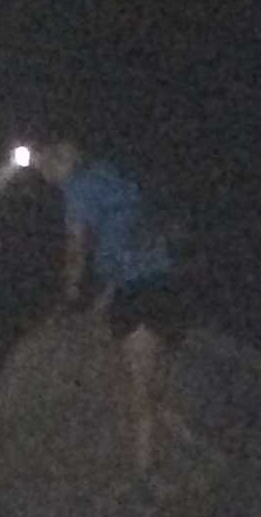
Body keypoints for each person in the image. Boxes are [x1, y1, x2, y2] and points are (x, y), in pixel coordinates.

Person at [33, 139, 184, 491]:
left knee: (139, 391)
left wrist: (70, 293)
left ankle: (145, 478)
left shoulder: (76, 189)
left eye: (47, 169)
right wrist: (104, 296)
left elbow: (77, 247)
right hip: (165, 281)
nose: (47, 177)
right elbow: (126, 234)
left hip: (137, 291)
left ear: (59, 164)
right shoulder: (109, 174)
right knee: (155, 374)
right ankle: (176, 437)